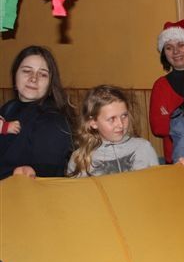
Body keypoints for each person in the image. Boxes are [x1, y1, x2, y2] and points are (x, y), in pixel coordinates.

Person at [0, 45, 75, 180]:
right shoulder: (8, 108)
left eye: (42, 74)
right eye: (27, 71)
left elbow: (45, 176)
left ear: (50, 83)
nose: (33, 78)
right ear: (15, 74)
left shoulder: (53, 121)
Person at [67, 85, 158, 177]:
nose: (120, 124)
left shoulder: (143, 148)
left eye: (124, 116)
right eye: (112, 119)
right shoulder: (79, 159)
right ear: (93, 123)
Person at [149, 19, 184, 163]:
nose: (176, 51)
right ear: (164, 53)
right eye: (169, 48)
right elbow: (158, 127)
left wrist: (173, 117)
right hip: (175, 160)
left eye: (181, 45)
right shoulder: (160, 85)